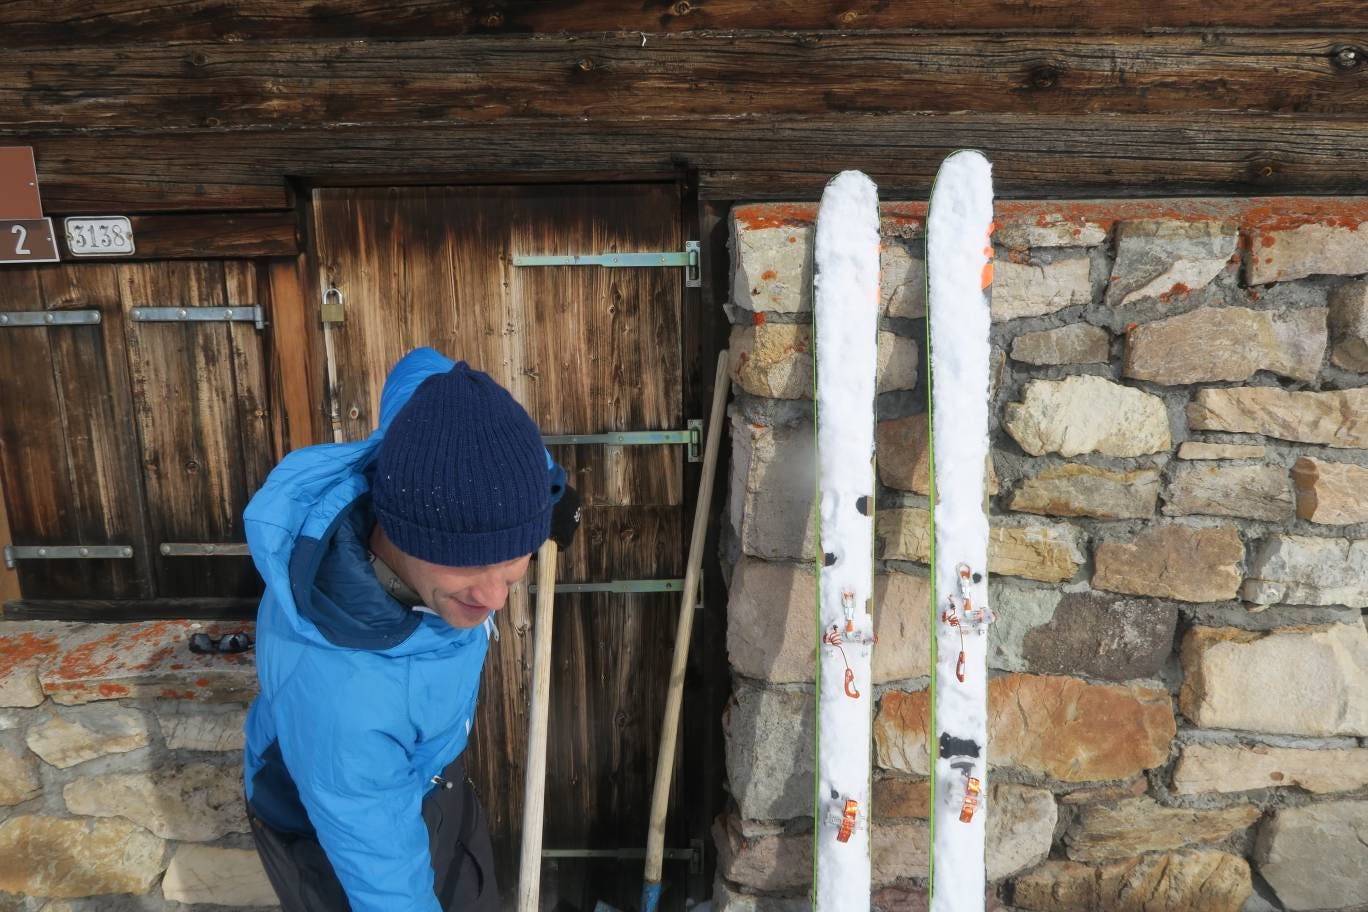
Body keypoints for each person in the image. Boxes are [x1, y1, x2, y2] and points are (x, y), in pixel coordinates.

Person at [241, 347, 579, 911]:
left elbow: (425, 371)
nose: (495, 597)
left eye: (516, 557)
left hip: (426, 765)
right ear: (401, 532)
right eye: (468, 566)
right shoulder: (347, 702)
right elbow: (385, 881)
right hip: (338, 836)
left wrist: (548, 488)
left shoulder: (417, 444)